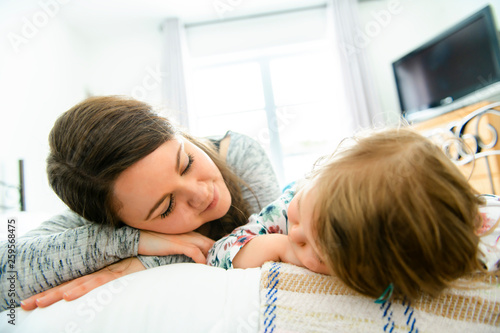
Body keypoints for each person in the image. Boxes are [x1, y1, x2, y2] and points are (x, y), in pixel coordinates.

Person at [0, 96, 281, 312]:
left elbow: (275, 239)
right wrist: (129, 241)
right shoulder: (100, 214)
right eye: (166, 207)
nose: (201, 193)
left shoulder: (240, 154)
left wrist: (148, 260)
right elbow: (5, 276)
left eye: (186, 163)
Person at [208, 127, 500, 300]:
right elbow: (218, 253)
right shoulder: (290, 204)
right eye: (301, 215)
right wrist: (280, 246)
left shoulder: (484, 235)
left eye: (316, 251)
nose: (295, 232)